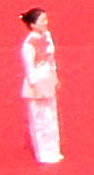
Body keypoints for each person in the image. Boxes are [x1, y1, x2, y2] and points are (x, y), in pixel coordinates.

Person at [17, 11, 61, 166]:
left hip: (48, 79)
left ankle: (54, 149)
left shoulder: (47, 36)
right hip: (37, 83)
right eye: (42, 21)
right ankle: (44, 153)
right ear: (33, 25)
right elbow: (30, 70)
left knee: (51, 116)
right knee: (39, 118)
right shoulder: (28, 45)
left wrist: (55, 76)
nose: (46, 23)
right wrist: (36, 86)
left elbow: (51, 59)